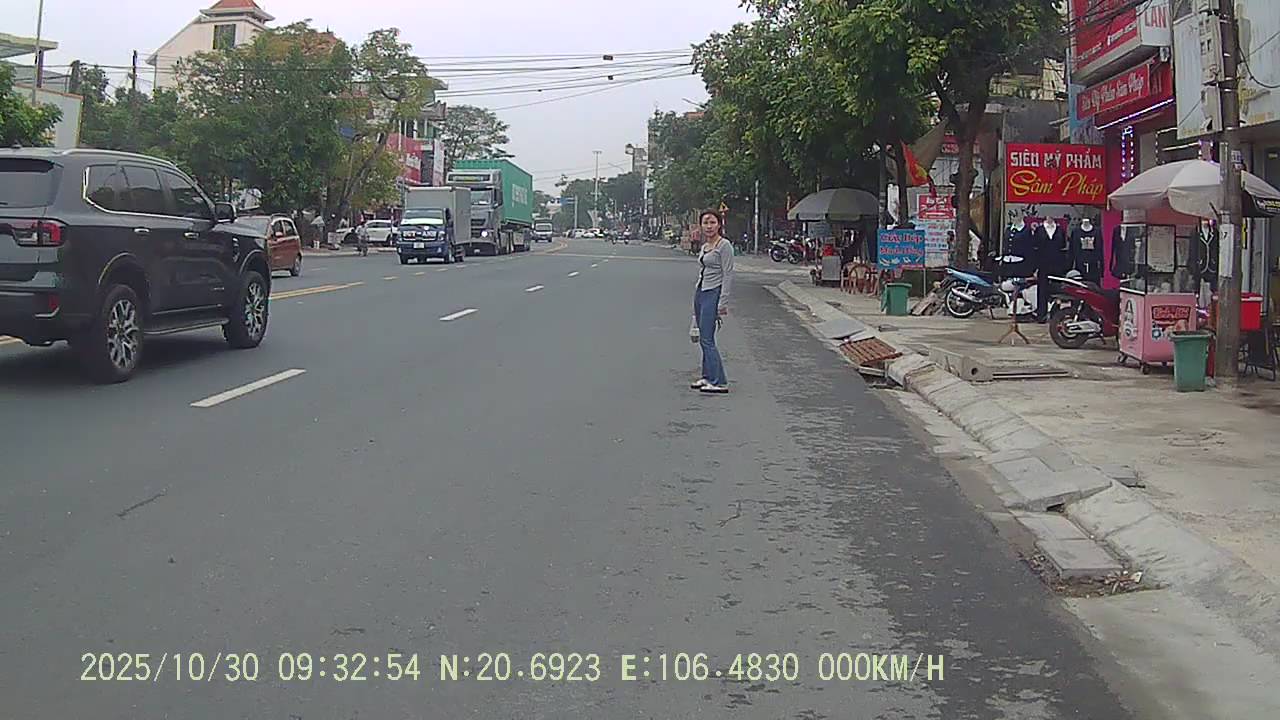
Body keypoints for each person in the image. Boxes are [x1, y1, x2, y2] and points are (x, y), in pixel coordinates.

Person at [690, 209, 734, 394]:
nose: (709, 226)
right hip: (701, 290)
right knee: (703, 337)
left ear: (719, 225)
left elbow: (728, 274)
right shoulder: (705, 246)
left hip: (713, 292)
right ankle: (707, 376)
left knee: (708, 339)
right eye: (705, 223)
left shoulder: (724, 246)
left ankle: (719, 381)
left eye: (712, 222)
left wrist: (722, 302)